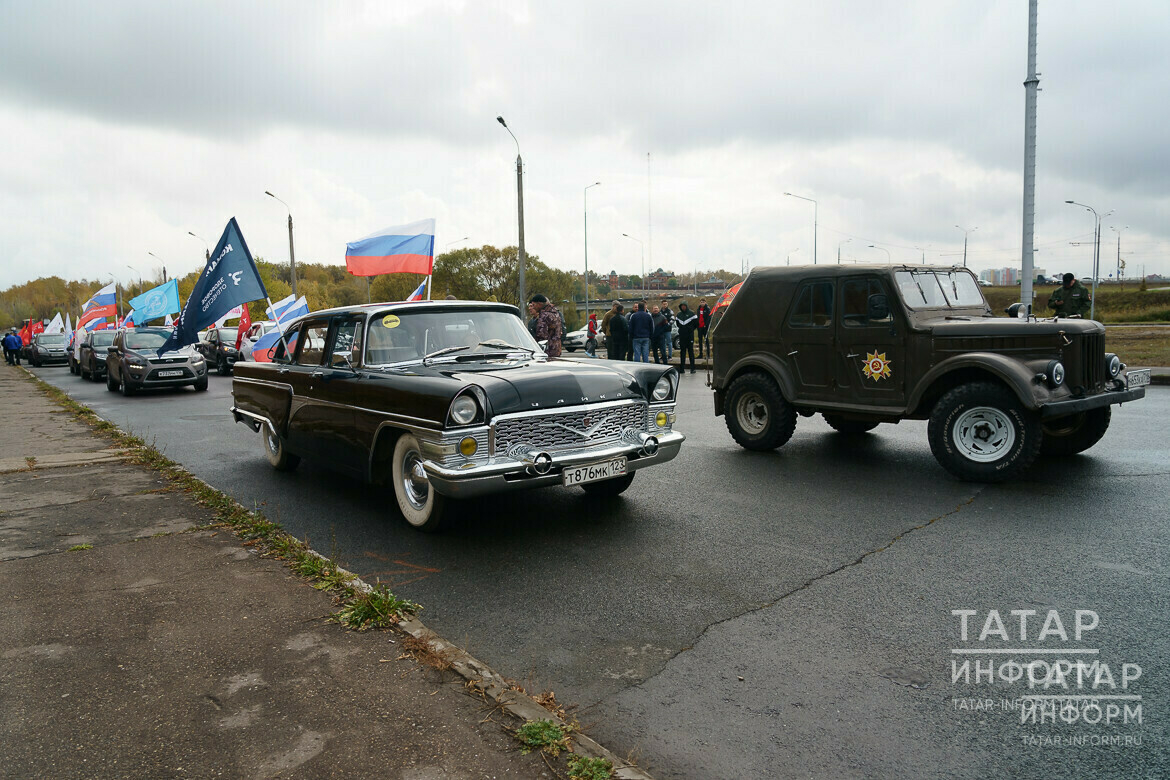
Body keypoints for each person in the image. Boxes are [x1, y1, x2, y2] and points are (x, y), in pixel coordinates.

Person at [675, 302, 698, 373]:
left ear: (686, 306)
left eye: (684, 306)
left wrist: (690, 329)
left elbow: (696, 324)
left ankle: (692, 368)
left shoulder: (692, 314)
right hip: (682, 335)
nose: (683, 307)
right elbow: (678, 324)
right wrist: (682, 330)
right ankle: (682, 369)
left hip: (689, 336)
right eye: (682, 306)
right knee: (682, 352)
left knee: (690, 351)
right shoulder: (679, 315)